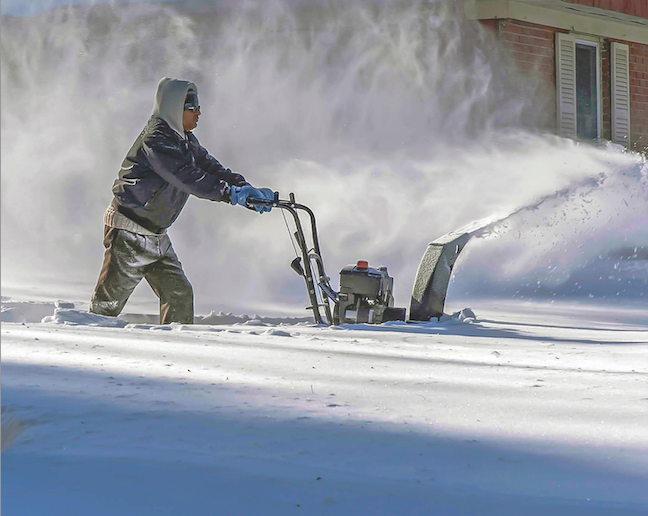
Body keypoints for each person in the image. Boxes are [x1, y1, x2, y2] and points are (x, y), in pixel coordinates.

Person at [90, 77, 274, 324]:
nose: (198, 113)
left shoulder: (184, 139)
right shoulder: (156, 140)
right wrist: (229, 194)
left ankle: (175, 344)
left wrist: (244, 187)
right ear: (175, 109)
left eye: (198, 107)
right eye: (192, 108)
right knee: (107, 305)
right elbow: (187, 176)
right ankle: (80, 338)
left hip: (156, 236)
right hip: (128, 232)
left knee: (179, 295)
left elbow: (210, 167)